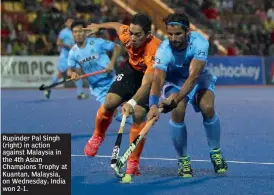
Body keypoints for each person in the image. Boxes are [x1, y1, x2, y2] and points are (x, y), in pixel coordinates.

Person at [147, 13, 228, 178]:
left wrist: (175, 99)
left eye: (178, 34)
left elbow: (193, 77)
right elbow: (157, 80)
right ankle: (183, 159)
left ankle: (215, 152)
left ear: (187, 32)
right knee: (178, 111)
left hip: (198, 79)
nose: (173, 38)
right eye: (170, 34)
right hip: (174, 82)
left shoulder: (199, 43)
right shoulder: (163, 50)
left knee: (207, 107)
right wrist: (153, 105)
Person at [83, 14, 161, 178]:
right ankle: (98, 134)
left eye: (137, 35)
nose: (132, 38)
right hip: (130, 71)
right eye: (131, 33)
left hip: (148, 78)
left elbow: (147, 83)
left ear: (148, 35)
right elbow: (117, 25)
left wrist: (132, 102)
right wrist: (99, 26)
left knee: (139, 114)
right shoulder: (127, 33)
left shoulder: (154, 50)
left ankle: (133, 161)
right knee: (110, 102)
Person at [67, 20, 132, 124]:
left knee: (126, 104)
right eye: (75, 32)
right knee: (114, 113)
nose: (77, 34)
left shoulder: (96, 42)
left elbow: (117, 47)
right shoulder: (73, 53)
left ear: (85, 32)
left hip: (112, 80)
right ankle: (137, 126)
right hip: (97, 88)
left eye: (80, 31)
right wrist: (73, 74)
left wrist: (111, 63)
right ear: (72, 34)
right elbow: (70, 70)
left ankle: (139, 125)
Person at [44, 17, 88, 100]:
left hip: (74, 56)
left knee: (77, 73)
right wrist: (68, 46)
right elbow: (58, 42)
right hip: (65, 57)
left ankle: (80, 93)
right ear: (66, 23)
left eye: (72, 21)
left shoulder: (76, 31)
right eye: (69, 21)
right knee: (60, 74)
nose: (71, 23)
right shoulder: (63, 32)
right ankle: (48, 88)